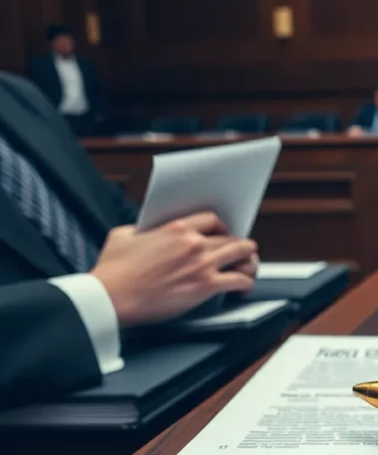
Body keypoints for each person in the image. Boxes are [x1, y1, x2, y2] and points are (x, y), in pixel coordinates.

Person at [0, 71, 259, 411]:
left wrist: (203, 254)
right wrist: (102, 296)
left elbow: (108, 208)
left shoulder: (16, 94)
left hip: (158, 372)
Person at [27, 24, 106, 136]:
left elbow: (96, 90)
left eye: (69, 39)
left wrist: (99, 115)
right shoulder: (40, 66)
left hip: (86, 119)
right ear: (52, 43)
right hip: (58, 118)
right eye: (61, 40)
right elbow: (37, 93)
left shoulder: (86, 65)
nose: (66, 43)